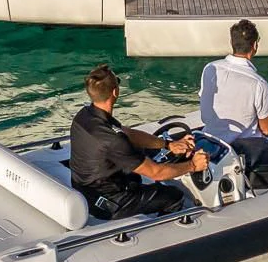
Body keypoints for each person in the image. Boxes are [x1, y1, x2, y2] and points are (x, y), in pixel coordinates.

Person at [69, 62, 209, 220]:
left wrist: (168, 144)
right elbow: (157, 173)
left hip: (86, 188)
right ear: (115, 92)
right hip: (108, 205)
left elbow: (128, 133)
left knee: (137, 165)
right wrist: (193, 165)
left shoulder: (84, 116)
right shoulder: (114, 140)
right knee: (173, 196)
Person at [199, 19, 268, 139]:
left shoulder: (209, 68)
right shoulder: (259, 84)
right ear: (255, 45)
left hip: (209, 140)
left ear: (232, 42)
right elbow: (267, 130)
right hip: (244, 148)